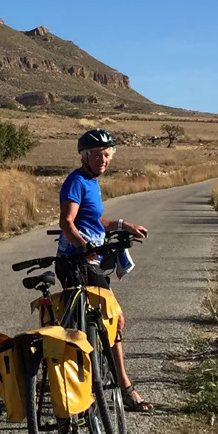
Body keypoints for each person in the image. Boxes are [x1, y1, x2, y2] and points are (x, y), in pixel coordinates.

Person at [55, 129, 154, 412]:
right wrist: (85, 246)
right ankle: (124, 387)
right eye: (97, 155)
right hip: (79, 262)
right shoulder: (76, 181)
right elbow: (67, 222)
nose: (103, 160)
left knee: (90, 325)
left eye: (107, 155)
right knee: (115, 320)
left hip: (88, 260)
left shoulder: (90, 181)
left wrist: (124, 225)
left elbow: (95, 219)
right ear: (84, 156)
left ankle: (85, 385)